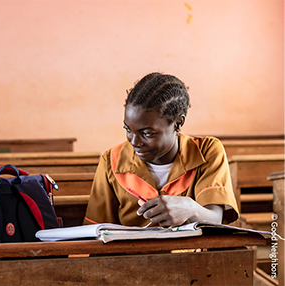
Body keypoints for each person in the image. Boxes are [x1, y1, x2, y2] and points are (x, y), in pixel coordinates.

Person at [84, 72, 239, 227]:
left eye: (147, 133)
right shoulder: (112, 159)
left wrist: (190, 208)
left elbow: (215, 219)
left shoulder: (206, 151)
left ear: (178, 123)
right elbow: (96, 228)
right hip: (131, 251)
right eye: (128, 129)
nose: (135, 142)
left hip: (188, 251)